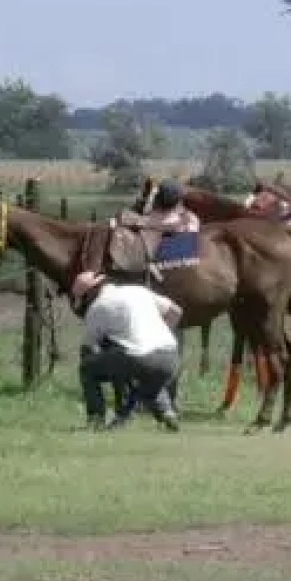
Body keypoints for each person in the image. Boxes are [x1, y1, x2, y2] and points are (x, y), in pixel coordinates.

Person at [71, 270, 184, 431]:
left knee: (88, 369)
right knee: (148, 381)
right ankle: (167, 414)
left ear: (89, 294)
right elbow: (176, 312)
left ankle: (96, 419)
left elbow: (88, 348)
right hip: (170, 356)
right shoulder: (138, 291)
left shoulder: (98, 307)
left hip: (137, 358)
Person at [126, 180, 200, 234]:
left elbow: (129, 220)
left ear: (156, 201)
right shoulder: (190, 223)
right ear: (179, 203)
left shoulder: (145, 222)